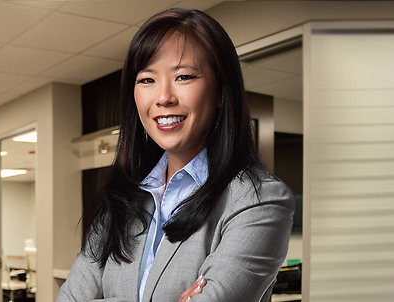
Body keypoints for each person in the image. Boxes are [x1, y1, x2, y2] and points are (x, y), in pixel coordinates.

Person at [57, 8, 294, 302]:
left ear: (221, 91)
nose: (163, 97)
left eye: (183, 76)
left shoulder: (259, 200)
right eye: (146, 80)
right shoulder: (119, 203)